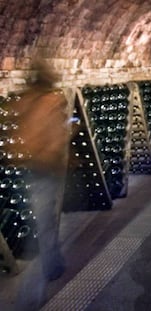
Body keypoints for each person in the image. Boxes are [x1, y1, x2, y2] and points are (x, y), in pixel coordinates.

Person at [6, 58, 71, 310]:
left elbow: (14, 134)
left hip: (28, 166)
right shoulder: (51, 102)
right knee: (44, 222)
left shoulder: (25, 100)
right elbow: (57, 136)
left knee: (40, 219)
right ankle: (35, 286)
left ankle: (52, 264)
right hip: (46, 167)